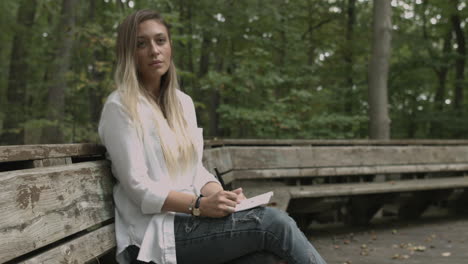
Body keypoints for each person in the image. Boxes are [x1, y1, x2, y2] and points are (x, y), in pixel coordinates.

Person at [98, 9, 327, 264]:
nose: (154, 50)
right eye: (142, 44)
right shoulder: (120, 107)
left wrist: (222, 198)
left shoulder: (182, 103)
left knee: (264, 259)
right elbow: (138, 187)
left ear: (170, 45)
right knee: (273, 224)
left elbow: (194, 170)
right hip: (152, 235)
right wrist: (199, 205)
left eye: (160, 40)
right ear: (128, 52)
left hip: (191, 221)